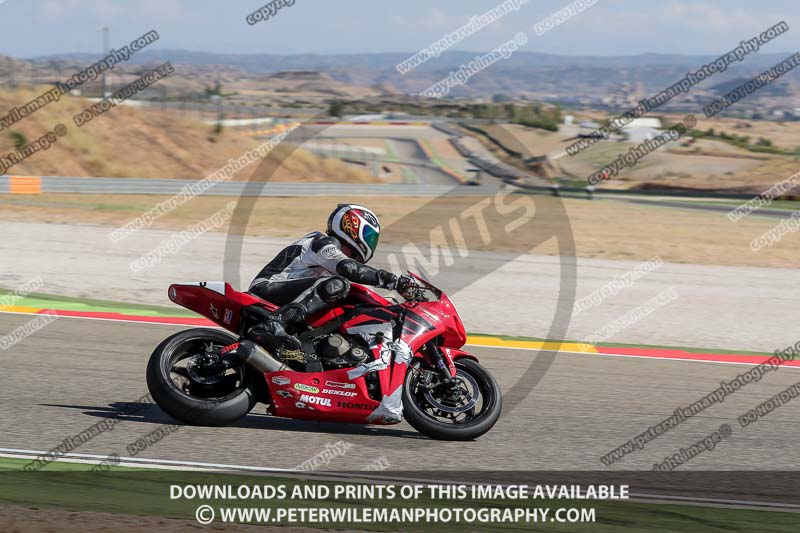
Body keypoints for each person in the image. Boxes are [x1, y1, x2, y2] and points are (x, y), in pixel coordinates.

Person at [247, 204, 411, 350]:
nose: (370, 240)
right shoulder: (322, 242)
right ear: (351, 225)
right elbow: (349, 268)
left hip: (285, 295)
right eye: (368, 234)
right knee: (338, 284)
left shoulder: (328, 257)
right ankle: (273, 323)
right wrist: (390, 281)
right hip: (266, 289)